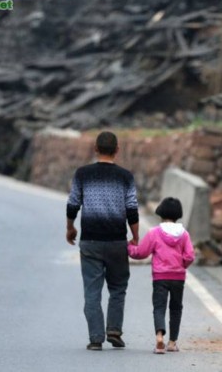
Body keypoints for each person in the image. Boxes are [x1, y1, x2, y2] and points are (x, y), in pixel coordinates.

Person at [66, 131, 139, 351]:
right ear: (117, 150)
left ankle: (96, 338)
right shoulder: (126, 176)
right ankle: (114, 331)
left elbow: (72, 204)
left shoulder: (83, 174)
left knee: (92, 291)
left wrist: (70, 227)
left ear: (95, 149)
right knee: (118, 288)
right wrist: (135, 236)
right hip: (117, 241)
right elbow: (132, 209)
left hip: (90, 242)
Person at [127, 197, 195, 354]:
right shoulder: (184, 234)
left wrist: (129, 247)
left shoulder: (154, 233)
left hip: (160, 278)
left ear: (161, 214)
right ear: (178, 215)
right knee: (176, 308)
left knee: (159, 307)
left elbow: (141, 253)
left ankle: (159, 336)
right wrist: (181, 265)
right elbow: (190, 256)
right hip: (178, 278)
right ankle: (172, 343)